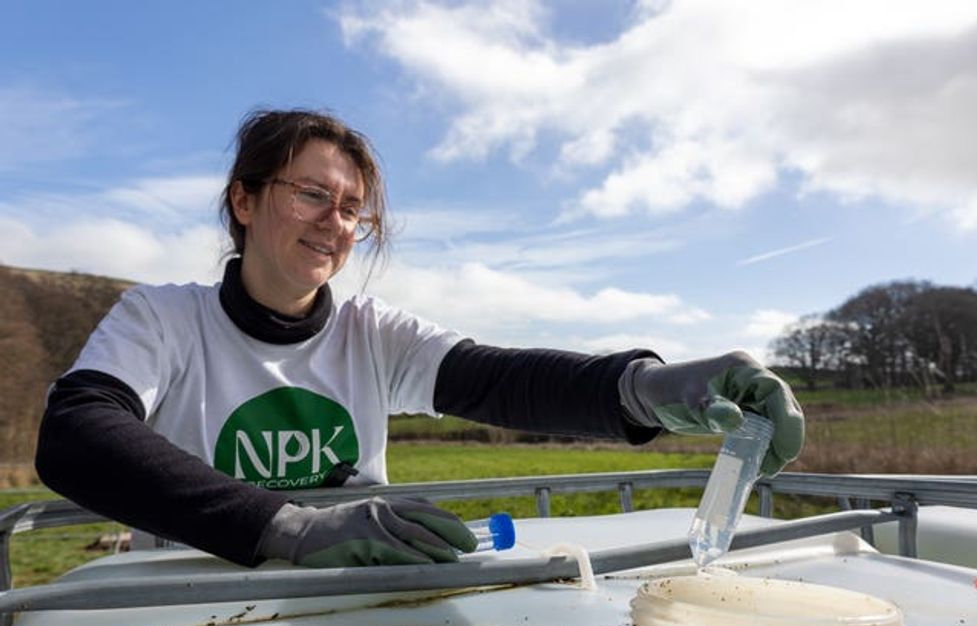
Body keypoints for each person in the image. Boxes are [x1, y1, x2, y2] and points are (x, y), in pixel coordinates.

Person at [35, 109, 805, 570]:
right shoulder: (162, 319)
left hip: (353, 607)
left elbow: (500, 380)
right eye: (311, 195)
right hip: (177, 611)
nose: (335, 225)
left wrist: (651, 389)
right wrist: (287, 525)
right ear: (242, 198)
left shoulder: (372, 333)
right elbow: (77, 434)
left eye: (352, 211)